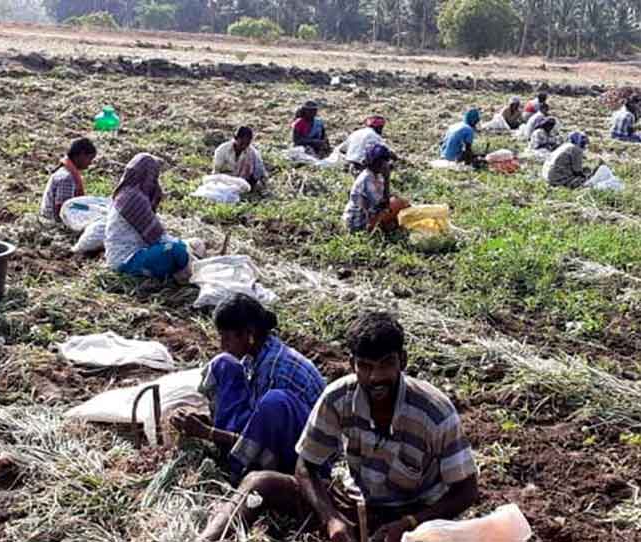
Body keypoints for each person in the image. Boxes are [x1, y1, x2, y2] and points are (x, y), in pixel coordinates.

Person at [199, 312, 479, 542]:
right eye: (366, 366)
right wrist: (331, 517)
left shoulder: (434, 412)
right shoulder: (338, 398)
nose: (376, 377)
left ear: (402, 362)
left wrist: (409, 523)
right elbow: (305, 466)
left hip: (415, 518)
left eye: (386, 365)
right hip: (358, 506)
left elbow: (466, 491)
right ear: (352, 365)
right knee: (260, 483)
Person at [172, 294, 326, 484]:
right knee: (223, 364)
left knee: (273, 401)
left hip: (305, 454)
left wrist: (207, 433)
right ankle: (227, 447)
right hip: (270, 430)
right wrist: (208, 423)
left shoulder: (275, 372)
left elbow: (264, 435)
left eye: (227, 338)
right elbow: (253, 412)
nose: (222, 344)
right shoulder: (254, 355)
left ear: (249, 334)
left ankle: (238, 464)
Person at [104, 153, 192, 281]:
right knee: (176, 250)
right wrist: (182, 246)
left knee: (185, 246)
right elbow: (158, 237)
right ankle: (182, 276)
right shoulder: (133, 198)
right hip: (126, 260)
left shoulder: (126, 194)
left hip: (131, 252)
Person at [342, 144, 409, 234]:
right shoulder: (367, 180)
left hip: (364, 216)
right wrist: (387, 178)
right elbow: (383, 205)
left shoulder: (373, 174)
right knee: (400, 205)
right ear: (376, 163)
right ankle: (382, 229)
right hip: (359, 224)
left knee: (400, 203)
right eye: (385, 162)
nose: (387, 164)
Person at [39, 137, 97, 221]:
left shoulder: (67, 172)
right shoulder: (67, 178)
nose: (90, 163)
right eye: (90, 158)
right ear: (81, 155)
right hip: (52, 222)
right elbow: (62, 210)